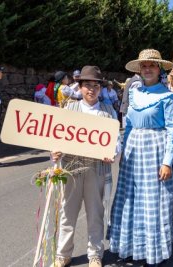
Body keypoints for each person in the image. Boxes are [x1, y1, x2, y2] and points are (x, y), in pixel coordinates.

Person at [108, 49, 173, 266]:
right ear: (140, 70)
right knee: (131, 199)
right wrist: (124, 150)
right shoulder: (133, 93)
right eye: (144, 66)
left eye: (152, 65)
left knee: (153, 200)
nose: (148, 69)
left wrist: (166, 161)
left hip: (155, 151)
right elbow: (130, 124)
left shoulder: (166, 95)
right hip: (134, 151)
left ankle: (154, 250)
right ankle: (132, 246)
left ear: (159, 69)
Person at [50, 66, 120, 267]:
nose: (91, 90)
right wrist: (55, 151)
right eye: (87, 85)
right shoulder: (69, 109)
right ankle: (63, 254)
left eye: (95, 86)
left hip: (96, 169)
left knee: (95, 213)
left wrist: (112, 152)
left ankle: (95, 254)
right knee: (67, 212)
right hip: (71, 167)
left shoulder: (108, 111)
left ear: (100, 88)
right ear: (79, 87)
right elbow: (57, 137)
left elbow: (116, 140)